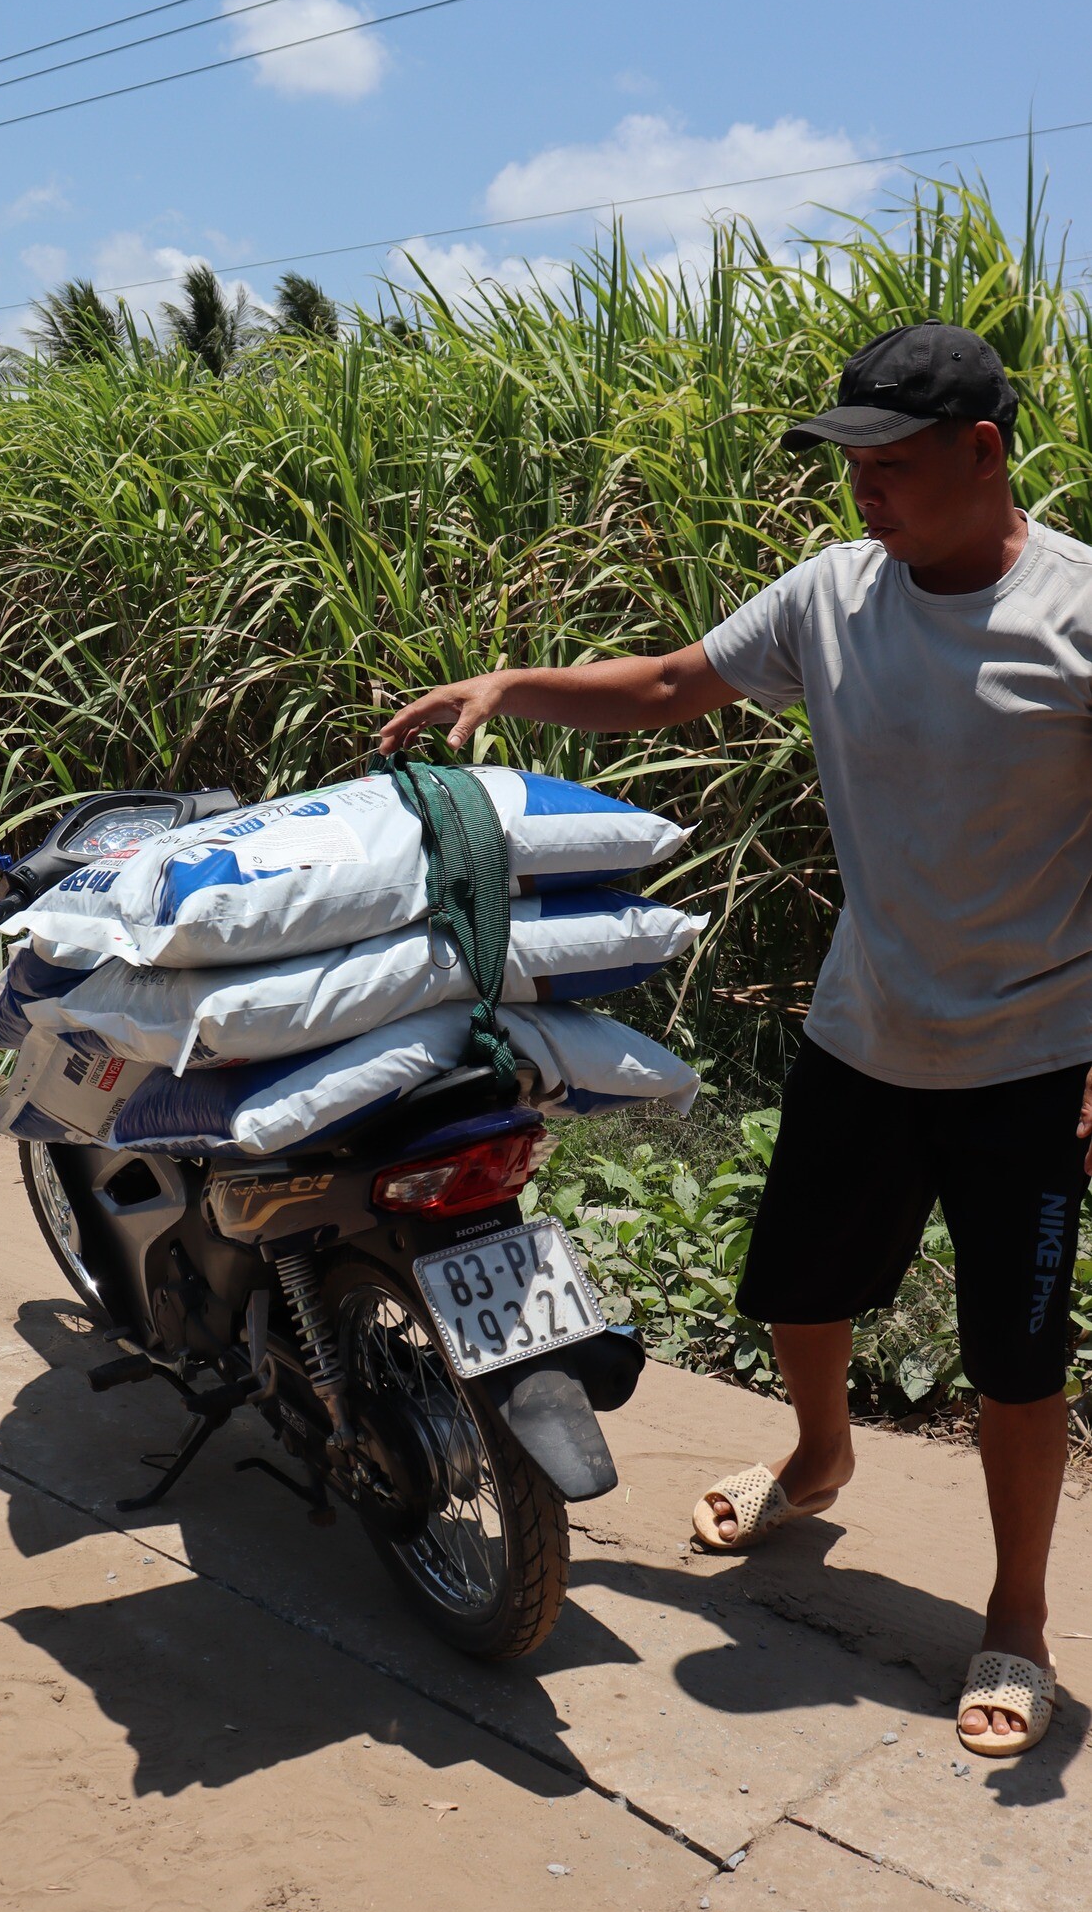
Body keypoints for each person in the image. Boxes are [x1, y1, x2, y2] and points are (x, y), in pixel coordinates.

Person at [380, 321, 1092, 1758]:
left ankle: (1013, 1612)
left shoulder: (1078, 615)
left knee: (1013, 1363)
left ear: (983, 451)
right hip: (862, 1031)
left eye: (892, 467)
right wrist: (510, 690)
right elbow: (662, 686)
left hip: (1032, 1056)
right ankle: (819, 1457)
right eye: (850, 469)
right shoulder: (833, 598)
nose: (865, 497)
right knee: (795, 1294)